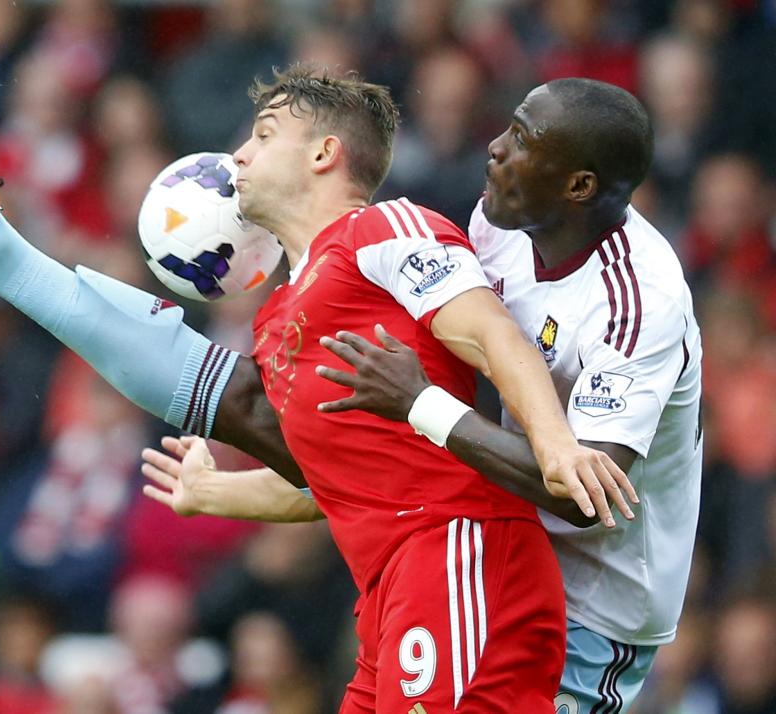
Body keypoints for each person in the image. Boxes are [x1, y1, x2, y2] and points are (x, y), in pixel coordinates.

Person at [0, 71, 635, 712]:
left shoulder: (383, 227)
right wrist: (222, 493)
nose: (238, 155)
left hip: (461, 557)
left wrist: (554, 442)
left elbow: (491, 335)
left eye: (261, 133)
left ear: (324, 153)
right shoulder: (281, 314)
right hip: (387, 586)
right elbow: (337, 478)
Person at [146, 79, 703, 714]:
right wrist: (221, 492)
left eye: (523, 139)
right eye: (507, 126)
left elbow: (578, 493)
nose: (495, 148)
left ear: (578, 186)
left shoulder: (640, 304)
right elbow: (372, 464)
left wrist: (421, 403)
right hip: (471, 564)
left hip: (597, 605)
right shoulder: (496, 228)